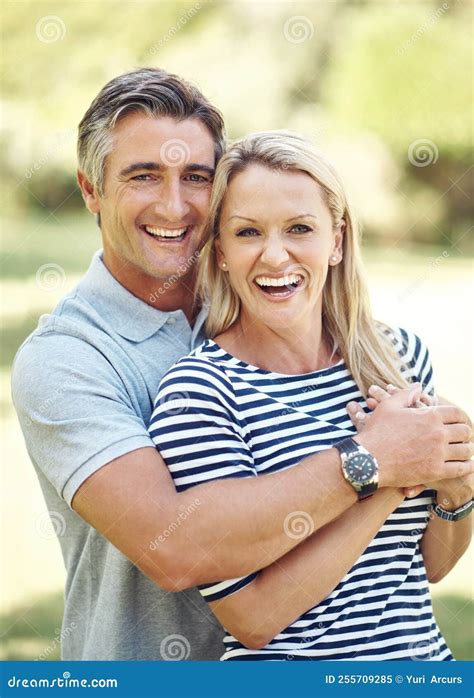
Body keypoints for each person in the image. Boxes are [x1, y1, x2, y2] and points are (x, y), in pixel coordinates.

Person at [11, 69, 472, 661]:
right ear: (91, 191)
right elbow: (174, 549)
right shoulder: (66, 361)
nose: (175, 205)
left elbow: (425, 562)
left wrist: (454, 481)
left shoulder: (285, 312)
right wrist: (378, 462)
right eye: (143, 176)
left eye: (196, 177)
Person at [148, 131, 473, 660]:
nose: (275, 256)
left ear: (337, 240)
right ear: (223, 253)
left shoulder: (400, 356)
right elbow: (253, 618)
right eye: (248, 232)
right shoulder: (200, 392)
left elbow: (431, 566)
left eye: (300, 228)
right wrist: (387, 472)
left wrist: (460, 486)